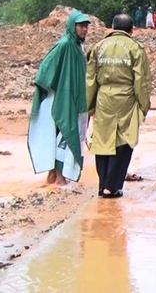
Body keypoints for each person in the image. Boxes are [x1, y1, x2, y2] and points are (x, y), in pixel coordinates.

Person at [86, 13, 151, 198]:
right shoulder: (135, 48)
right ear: (132, 30)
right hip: (126, 99)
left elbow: (90, 79)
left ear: (112, 27)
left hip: (103, 98)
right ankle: (112, 186)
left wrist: (89, 106)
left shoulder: (98, 47)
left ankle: (102, 185)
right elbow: (142, 81)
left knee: (103, 141)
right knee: (124, 141)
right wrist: (143, 105)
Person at [27, 9, 92, 185]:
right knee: (64, 135)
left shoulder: (77, 46)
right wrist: (56, 89)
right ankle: (59, 177)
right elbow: (44, 71)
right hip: (61, 101)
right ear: (72, 26)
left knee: (63, 135)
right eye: (81, 26)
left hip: (73, 100)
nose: (84, 30)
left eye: (86, 26)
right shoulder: (64, 45)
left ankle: (54, 176)